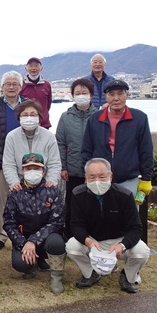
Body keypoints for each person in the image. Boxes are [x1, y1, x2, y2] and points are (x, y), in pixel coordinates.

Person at [65, 158, 150, 293]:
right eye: (92, 177)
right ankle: (91, 273)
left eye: (102, 176)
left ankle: (128, 277)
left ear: (110, 176)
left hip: (118, 241)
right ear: (85, 178)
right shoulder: (77, 194)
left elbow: (135, 228)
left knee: (142, 251)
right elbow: (76, 225)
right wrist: (88, 241)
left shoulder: (124, 195)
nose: (97, 181)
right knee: (71, 246)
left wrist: (122, 245)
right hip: (92, 241)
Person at [81, 78, 153, 201]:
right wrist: (88, 174)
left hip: (129, 177)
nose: (116, 98)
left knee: (129, 216)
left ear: (127, 95)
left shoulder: (139, 118)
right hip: (100, 178)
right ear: (105, 96)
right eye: (111, 94)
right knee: (101, 216)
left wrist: (146, 178)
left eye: (120, 94)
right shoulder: (94, 119)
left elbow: (146, 149)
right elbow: (87, 149)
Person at [3, 154, 66, 292]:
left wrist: (33, 241)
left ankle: (56, 276)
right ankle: (31, 265)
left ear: (43, 171)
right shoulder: (15, 193)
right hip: (24, 240)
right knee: (20, 264)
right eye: (28, 168)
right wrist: (24, 243)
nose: (32, 171)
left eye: (36, 168)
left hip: (46, 239)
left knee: (57, 242)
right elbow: (9, 223)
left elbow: (57, 222)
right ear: (22, 170)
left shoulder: (53, 191)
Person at [0, 70, 24, 250]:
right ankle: (0, 234)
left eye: (15, 83)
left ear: (20, 86)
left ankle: (22, 232)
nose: (11, 87)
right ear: (2, 87)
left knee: (23, 200)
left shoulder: (27, 106)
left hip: (24, 162)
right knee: (0, 199)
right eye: (7, 84)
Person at [55, 77, 99, 231]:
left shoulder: (99, 116)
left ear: (91, 95)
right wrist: (63, 167)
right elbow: (60, 143)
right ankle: (70, 235)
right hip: (72, 170)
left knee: (94, 204)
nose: (81, 95)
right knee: (72, 204)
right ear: (72, 95)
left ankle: (94, 234)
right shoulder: (65, 117)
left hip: (95, 172)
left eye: (84, 92)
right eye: (78, 93)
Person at [3, 99, 61, 190]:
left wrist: (51, 181)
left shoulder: (49, 136)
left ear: (39, 117)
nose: (29, 117)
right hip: (20, 185)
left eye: (33, 114)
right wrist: (14, 182)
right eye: (25, 115)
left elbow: (54, 163)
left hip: (44, 184)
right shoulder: (11, 137)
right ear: (19, 117)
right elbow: (8, 163)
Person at [19, 56, 53, 129]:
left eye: (36, 66)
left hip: (43, 124)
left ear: (41, 68)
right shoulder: (21, 84)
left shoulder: (46, 85)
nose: (33, 68)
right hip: (26, 124)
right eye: (31, 66)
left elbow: (48, 104)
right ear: (26, 68)